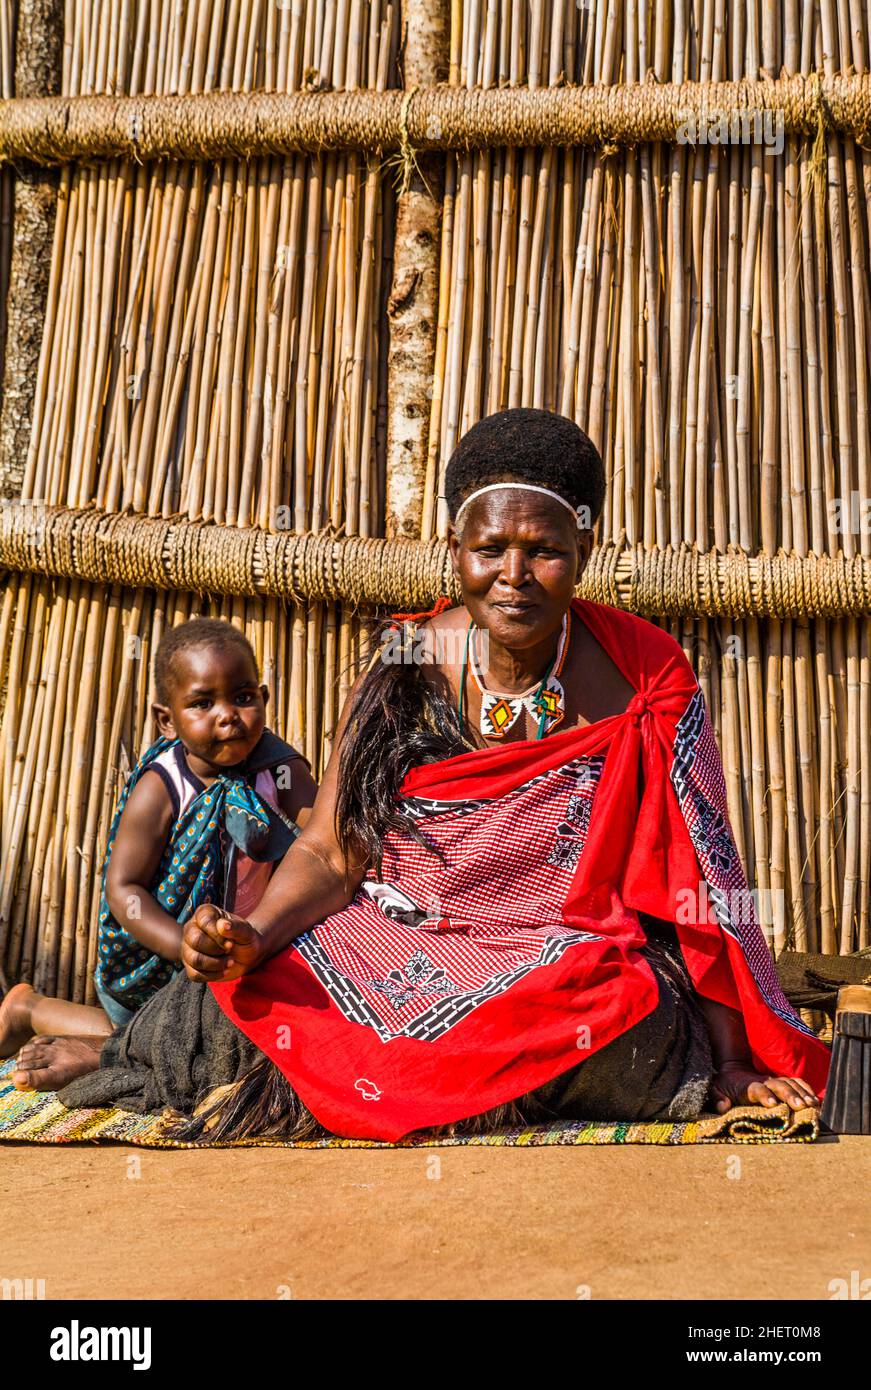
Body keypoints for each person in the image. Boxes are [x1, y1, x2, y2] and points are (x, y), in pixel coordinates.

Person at [12, 409, 829, 1141]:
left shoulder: (648, 677)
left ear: (584, 552)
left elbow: (703, 881)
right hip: (400, 936)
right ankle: (127, 1055)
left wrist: (729, 1058)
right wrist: (255, 937)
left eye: (543, 550)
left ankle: (350, 1078)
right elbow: (332, 852)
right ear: (454, 552)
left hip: (566, 954)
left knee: (636, 1035)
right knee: (257, 989)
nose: (513, 574)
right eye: (489, 549)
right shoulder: (406, 665)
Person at [0, 618, 317, 1067]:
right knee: (149, 1041)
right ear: (167, 720)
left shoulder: (279, 770)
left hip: (242, 950)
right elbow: (123, 889)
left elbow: (323, 841)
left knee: (233, 1042)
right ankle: (31, 1010)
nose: (228, 714)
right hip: (160, 962)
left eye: (243, 698)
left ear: (264, 699)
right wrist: (182, 945)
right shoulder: (163, 786)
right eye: (203, 703)